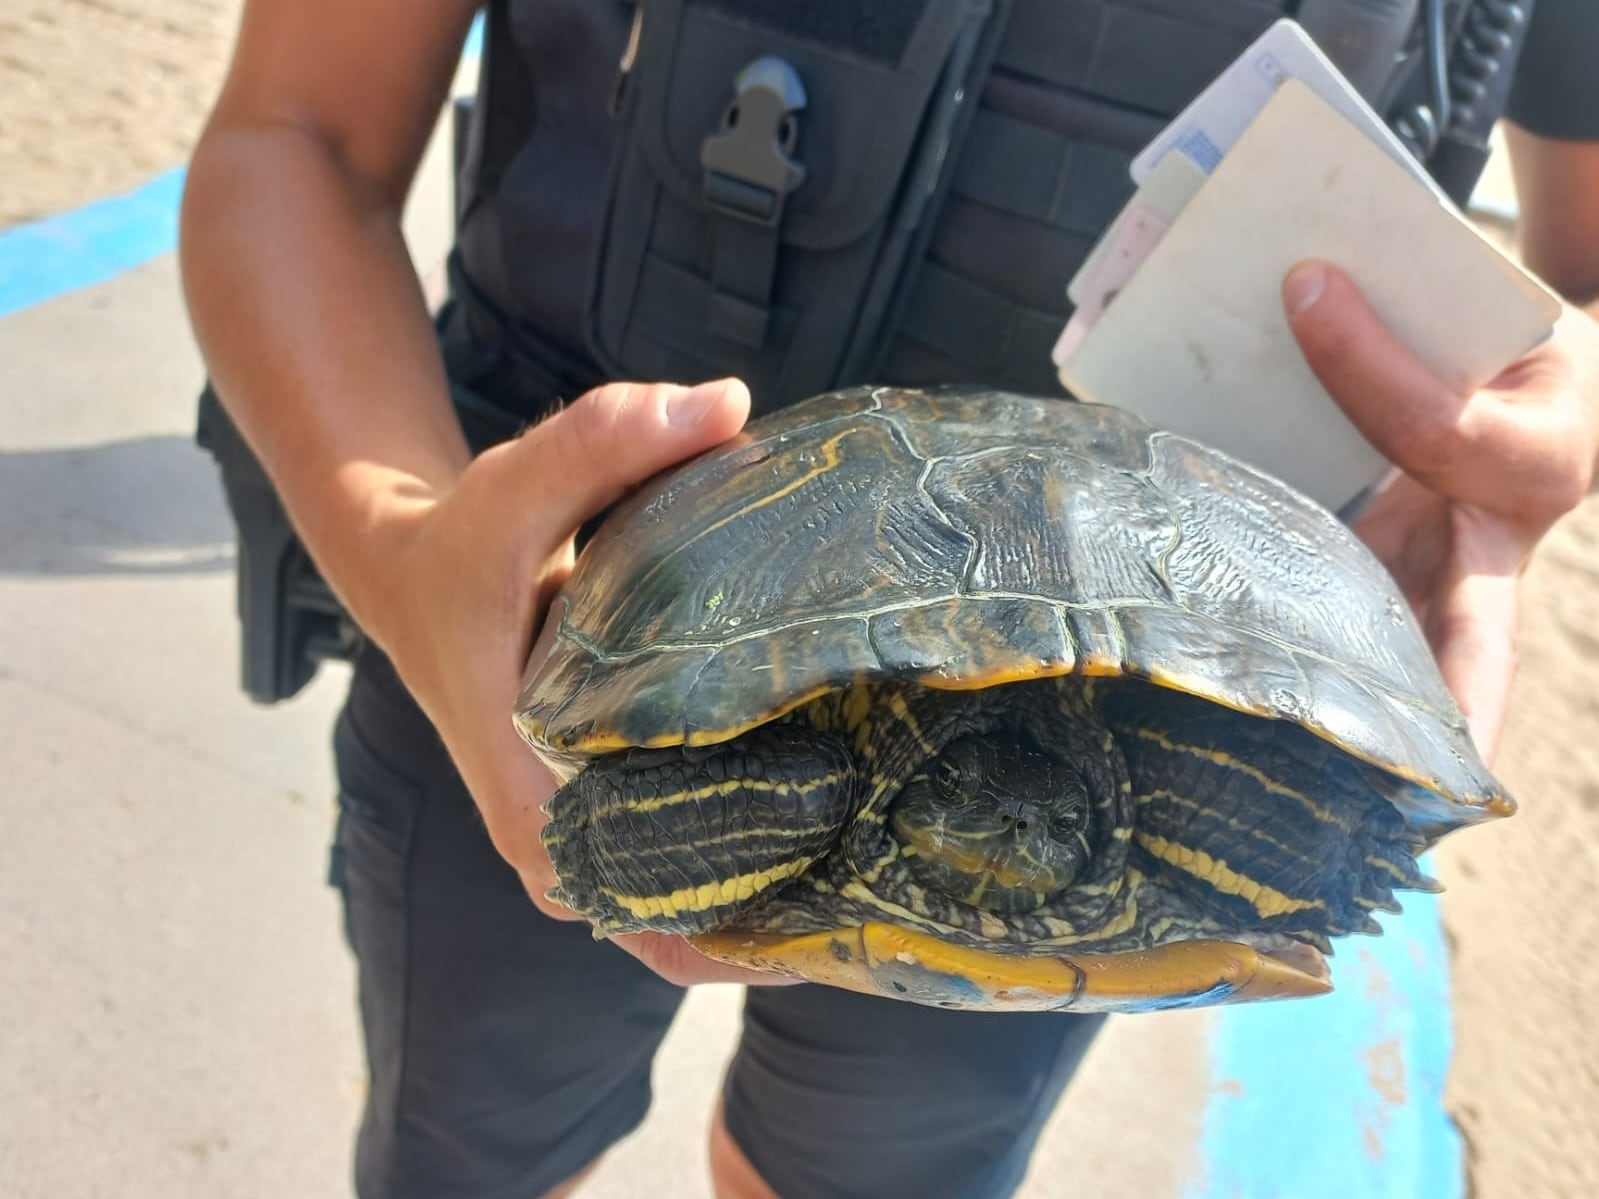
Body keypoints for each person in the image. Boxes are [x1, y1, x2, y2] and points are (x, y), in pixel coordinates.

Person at [179, 1, 1599, 1196]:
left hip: (1152, 711)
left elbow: (1582, 265)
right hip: (552, 621)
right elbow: (294, 134)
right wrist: (401, 538)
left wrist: (1558, 400)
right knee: (473, 1142)